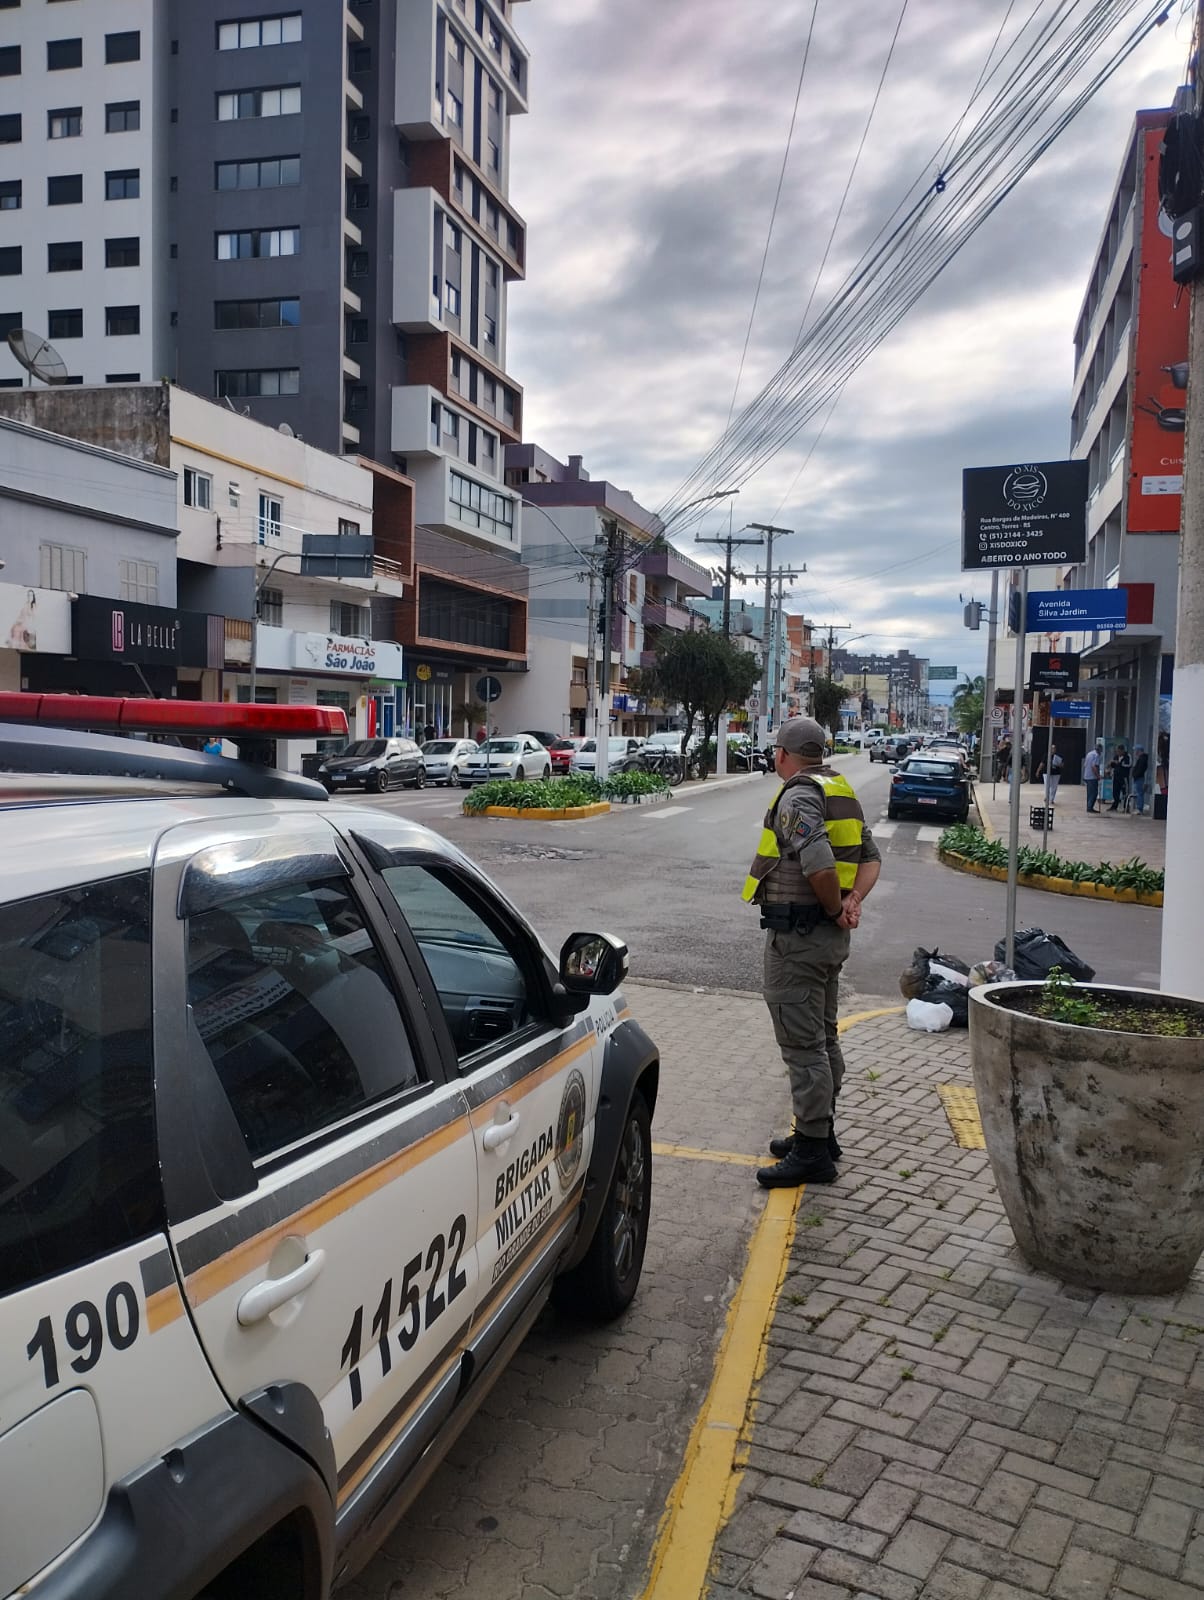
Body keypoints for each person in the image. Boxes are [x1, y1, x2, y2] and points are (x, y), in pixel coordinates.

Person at [742, 717, 882, 1188]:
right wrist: (852, 901)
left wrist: (833, 907)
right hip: (826, 940)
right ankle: (819, 1131)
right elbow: (871, 858)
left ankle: (812, 1152)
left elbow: (818, 861)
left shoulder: (798, 796)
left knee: (804, 1049)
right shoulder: (840, 790)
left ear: (782, 754)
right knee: (824, 1039)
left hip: (800, 939)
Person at [1035, 744, 1063, 808]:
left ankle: (1051, 799)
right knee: (1047, 785)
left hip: (1056, 773)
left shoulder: (1058, 756)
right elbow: (1042, 763)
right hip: (1046, 772)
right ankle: (1047, 797)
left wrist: (1058, 764)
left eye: (1054, 748)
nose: (1053, 750)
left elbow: (1062, 764)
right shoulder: (1046, 755)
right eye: (1052, 748)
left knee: (1054, 786)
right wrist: (1038, 771)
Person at [1108, 744, 1131, 811]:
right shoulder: (1116, 756)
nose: (1118, 753)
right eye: (1117, 751)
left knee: (1125, 792)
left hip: (1124, 777)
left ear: (1122, 750)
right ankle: (1114, 806)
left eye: (1119, 751)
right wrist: (1111, 764)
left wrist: (1119, 763)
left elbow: (1128, 764)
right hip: (1116, 776)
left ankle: (1126, 807)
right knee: (1115, 792)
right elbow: (1113, 766)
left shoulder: (1127, 756)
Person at [1083, 743, 1101, 812]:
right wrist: (1098, 776)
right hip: (1092, 777)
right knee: (1094, 793)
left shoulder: (1089, 754)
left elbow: (1085, 765)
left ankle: (1089, 806)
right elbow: (1094, 767)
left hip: (1087, 775)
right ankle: (1090, 807)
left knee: (1089, 793)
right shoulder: (1096, 755)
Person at [1131, 745, 1148, 814]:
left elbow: (1140, 769)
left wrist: (1135, 775)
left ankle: (1139, 808)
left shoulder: (1142, 759)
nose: (1135, 753)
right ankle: (1138, 807)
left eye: (1136, 751)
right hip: (1138, 778)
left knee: (1139, 793)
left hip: (1139, 778)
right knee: (1138, 793)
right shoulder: (1141, 759)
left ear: (1139, 751)